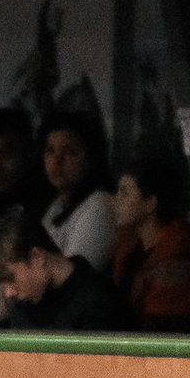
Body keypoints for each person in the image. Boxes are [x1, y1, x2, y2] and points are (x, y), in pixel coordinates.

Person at [0, 207, 133, 333]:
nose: (7, 292)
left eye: (11, 278)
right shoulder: (23, 305)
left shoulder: (102, 305)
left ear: (37, 257)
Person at [108, 156, 190, 333]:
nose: (116, 200)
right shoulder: (131, 249)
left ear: (150, 203)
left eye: (124, 193)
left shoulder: (176, 262)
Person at [38, 110, 117, 273]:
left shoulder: (100, 206)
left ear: (92, 157)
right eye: (50, 150)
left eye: (69, 152)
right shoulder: (59, 203)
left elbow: (73, 280)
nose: (57, 161)